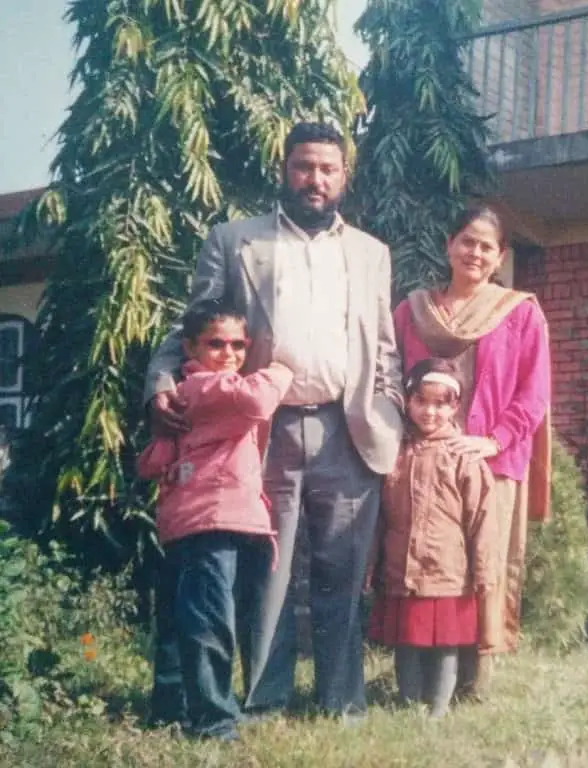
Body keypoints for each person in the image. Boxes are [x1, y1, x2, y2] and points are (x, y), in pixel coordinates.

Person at [144, 122, 404, 721]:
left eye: (328, 169)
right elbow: (195, 325)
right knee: (269, 575)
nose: (316, 179)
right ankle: (266, 698)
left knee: (344, 572)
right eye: (304, 167)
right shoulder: (236, 241)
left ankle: (344, 702)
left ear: (344, 177)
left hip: (348, 427)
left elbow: (384, 345)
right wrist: (162, 382)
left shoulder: (370, 253)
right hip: (260, 434)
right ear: (284, 170)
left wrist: (388, 411)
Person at [392, 205, 552, 698]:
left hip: (488, 462)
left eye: (486, 246)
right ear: (449, 245)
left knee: (483, 566)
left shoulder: (520, 312)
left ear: (501, 255)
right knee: (427, 565)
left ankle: (473, 683)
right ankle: (419, 678)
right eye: (467, 241)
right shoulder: (414, 311)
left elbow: (534, 391)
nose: (475, 253)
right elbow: (386, 377)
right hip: (422, 465)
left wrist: (495, 439)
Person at [137, 300, 295, 741]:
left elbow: (154, 460)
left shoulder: (187, 394)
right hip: (213, 518)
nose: (229, 354)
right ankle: (214, 722)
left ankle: (171, 708)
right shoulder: (208, 387)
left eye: (239, 346)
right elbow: (260, 400)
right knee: (210, 622)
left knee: (180, 618)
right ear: (189, 347)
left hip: (191, 518)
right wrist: (282, 368)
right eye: (216, 344)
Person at [367, 359, 497, 719]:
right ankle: (409, 706)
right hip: (401, 569)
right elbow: (378, 517)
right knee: (406, 642)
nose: (430, 411)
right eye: (421, 401)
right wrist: (372, 565)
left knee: (445, 645)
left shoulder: (464, 457)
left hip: (448, 574)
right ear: (407, 401)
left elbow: (482, 520)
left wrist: (484, 574)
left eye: (441, 403)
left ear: (455, 406)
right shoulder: (395, 451)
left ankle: (438, 710)